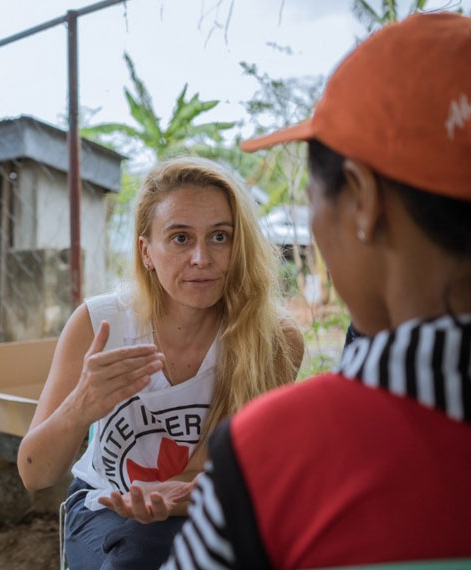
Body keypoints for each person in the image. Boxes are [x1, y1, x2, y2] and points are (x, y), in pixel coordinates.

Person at [162, 12, 471, 569]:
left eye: (313, 194)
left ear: (361, 199)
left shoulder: (272, 458)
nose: (201, 259)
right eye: (180, 238)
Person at [17, 157, 304, 570]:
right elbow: (34, 474)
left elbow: (216, 469)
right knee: (141, 548)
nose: (202, 257)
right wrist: (81, 405)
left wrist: (179, 496)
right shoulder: (99, 323)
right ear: (146, 251)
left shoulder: (272, 339)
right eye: (180, 238)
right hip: (103, 507)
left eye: (220, 237)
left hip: (207, 502)